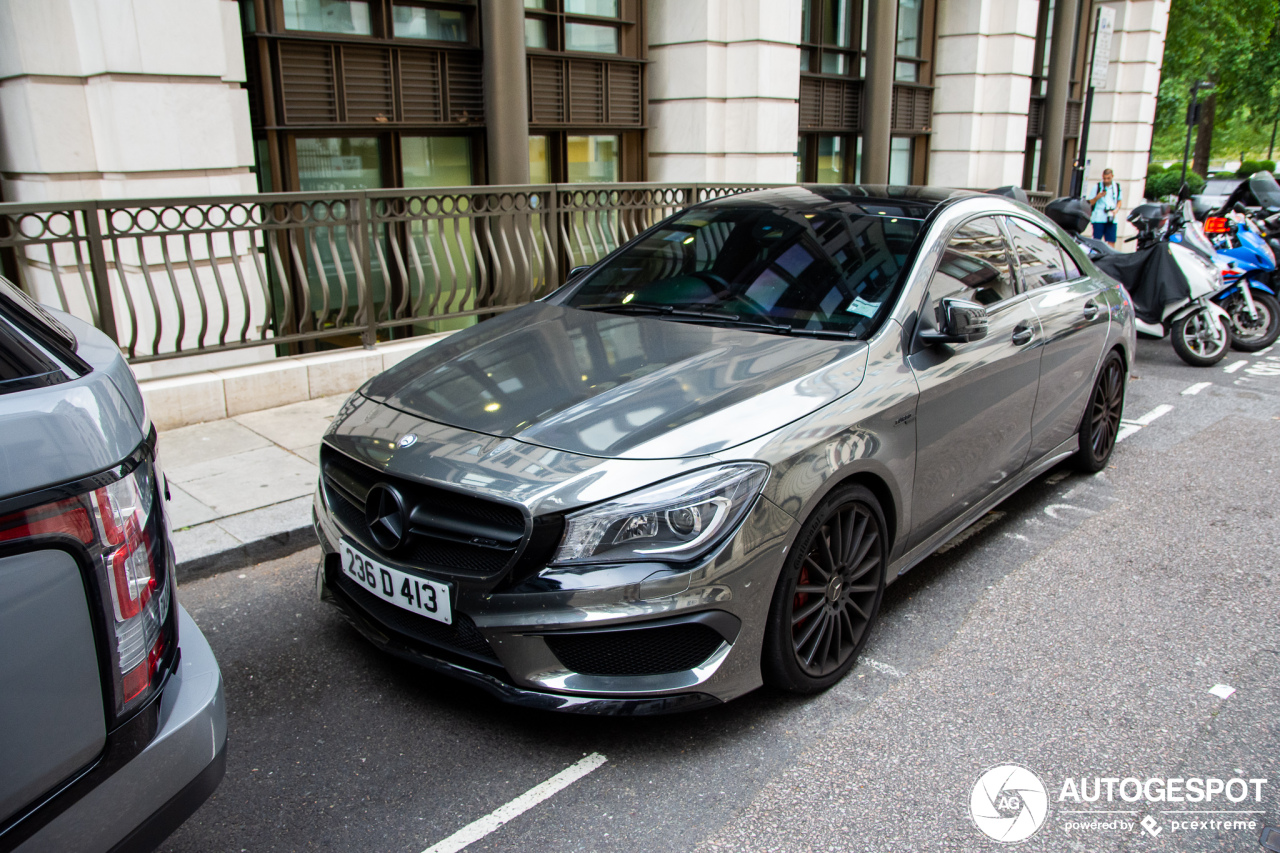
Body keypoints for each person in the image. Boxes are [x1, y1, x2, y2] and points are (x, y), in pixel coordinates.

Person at [1086, 169, 1122, 248]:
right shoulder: (1097, 187)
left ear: (1112, 176)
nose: (1106, 180)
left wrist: (1116, 210)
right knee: (1096, 241)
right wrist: (1098, 197)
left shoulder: (1116, 187)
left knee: (1111, 240)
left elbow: (1119, 200)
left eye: (1108, 178)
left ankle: (1109, 258)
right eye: (1104, 178)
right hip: (1099, 218)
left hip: (1112, 218)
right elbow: (1090, 202)